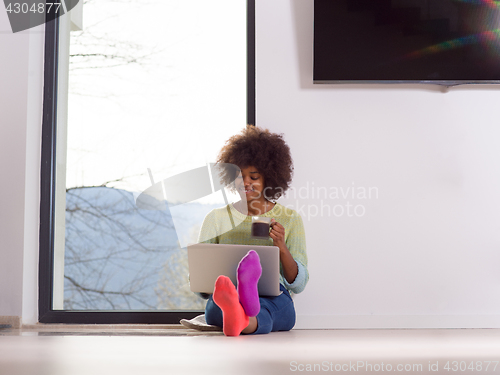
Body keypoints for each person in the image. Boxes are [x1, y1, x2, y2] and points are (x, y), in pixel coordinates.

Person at [197, 125, 309, 336]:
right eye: (239, 176)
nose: (245, 182)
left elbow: (298, 284)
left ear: (269, 177)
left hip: (271, 293)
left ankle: (239, 313)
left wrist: (281, 246)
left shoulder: (290, 219)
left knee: (275, 308)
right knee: (217, 305)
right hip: (228, 292)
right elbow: (201, 284)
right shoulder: (216, 219)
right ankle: (243, 311)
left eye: (254, 177)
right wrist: (208, 283)